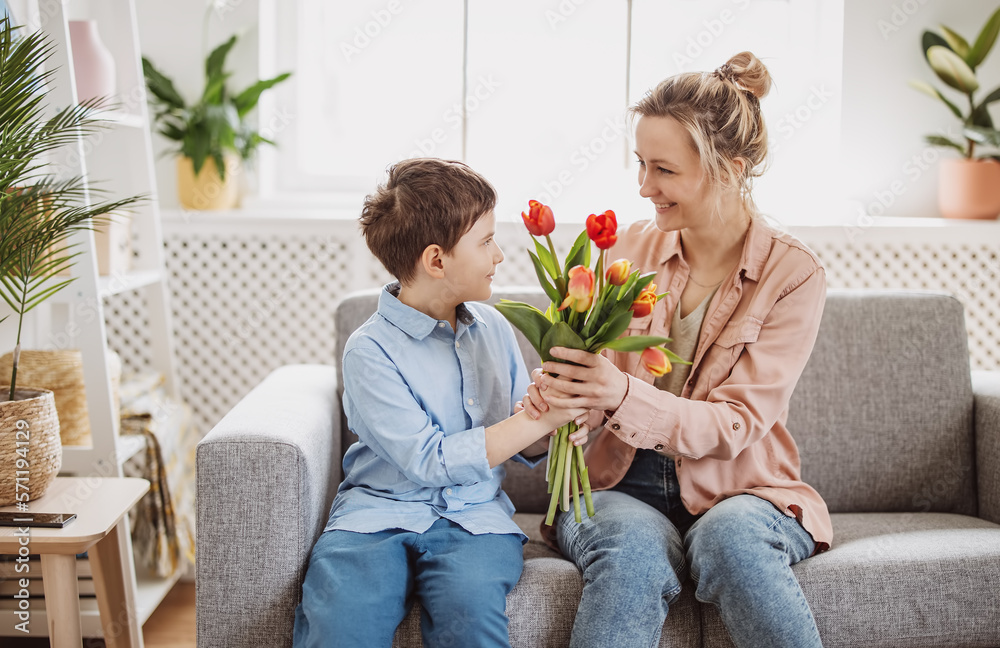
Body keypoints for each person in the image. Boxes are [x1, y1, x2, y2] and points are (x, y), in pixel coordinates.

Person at [522, 52, 831, 647]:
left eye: (662, 170)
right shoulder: (625, 251)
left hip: (743, 490)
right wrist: (565, 402)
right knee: (631, 557)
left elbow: (739, 423)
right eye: (640, 164)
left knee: (733, 543)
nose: (643, 188)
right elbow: (591, 387)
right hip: (618, 484)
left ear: (729, 169)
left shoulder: (793, 275)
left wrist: (621, 393)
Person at [292, 158, 590, 648]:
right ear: (437, 260)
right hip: (376, 516)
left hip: (473, 519)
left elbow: (521, 443)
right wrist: (539, 421)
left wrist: (555, 425)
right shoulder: (369, 351)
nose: (498, 256)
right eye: (486, 241)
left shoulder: (492, 329)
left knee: (471, 619)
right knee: (343, 622)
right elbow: (430, 460)